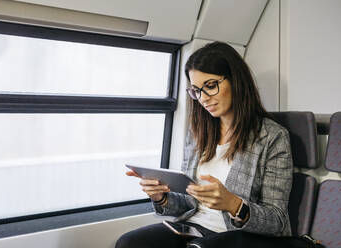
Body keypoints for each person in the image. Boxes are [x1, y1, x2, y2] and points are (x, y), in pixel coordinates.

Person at [116, 41, 293, 248]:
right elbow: (189, 204)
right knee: (129, 243)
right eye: (196, 91)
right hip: (194, 228)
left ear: (236, 80)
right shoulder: (198, 133)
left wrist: (234, 205)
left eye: (210, 86)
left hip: (239, 236)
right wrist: (161, 197)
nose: (203, 98)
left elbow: (277, 221)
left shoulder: (272, 137)